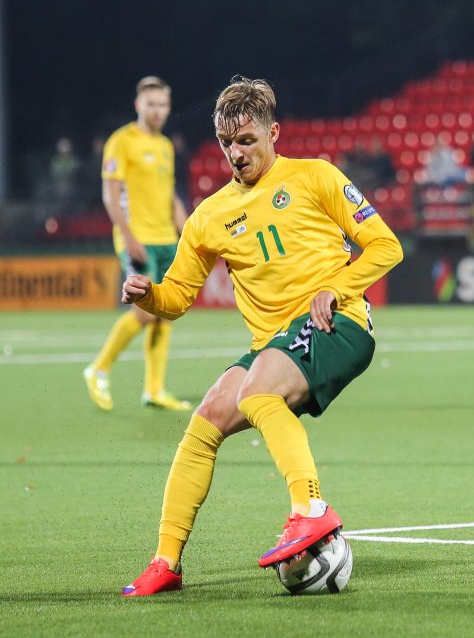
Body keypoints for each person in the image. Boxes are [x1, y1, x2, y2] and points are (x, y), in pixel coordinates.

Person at [119, 77, 403, 596]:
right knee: (204, 422)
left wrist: (336, 288)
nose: (236, 152)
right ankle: (166, 562)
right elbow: (177, 298)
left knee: (257, 391)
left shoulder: (316, 177)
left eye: (247, 140)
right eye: (228, 143)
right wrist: (148, 295)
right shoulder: (209, 216)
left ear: (274, 132)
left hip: (337, 325)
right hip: (274, 344)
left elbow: (386, 246)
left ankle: (310, 507)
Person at [83, 76, 192, 412]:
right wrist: (128, 236)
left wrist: (187, 230)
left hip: (166, 239)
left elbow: (170, 193)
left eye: (162, 105)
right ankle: (98, 368)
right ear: (138, 105)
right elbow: (110, 194)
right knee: (144, 313)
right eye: (151, 104)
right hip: (139, 238)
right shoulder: (122, 141)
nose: (157, 111)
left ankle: (154, 389)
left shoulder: (164, 146)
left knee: (164, 313)